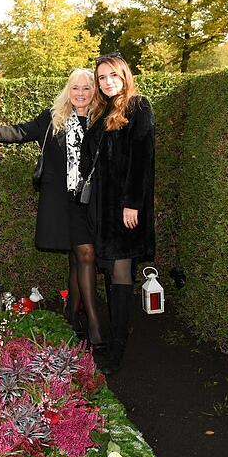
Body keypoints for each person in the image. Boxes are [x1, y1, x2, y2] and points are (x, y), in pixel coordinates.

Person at [0, 68, 105, 347]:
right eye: (76, 87)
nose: (81, 93)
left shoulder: (102, 119)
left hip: (93, 201)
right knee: (85, 254)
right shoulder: (53, 118)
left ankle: (72, 315)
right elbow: (17, 132)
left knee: (79, 257)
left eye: (87, 88)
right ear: (68, 90)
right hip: (64, 202)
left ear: (94, 91)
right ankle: (94, 324)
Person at [80, 52, 155, 374]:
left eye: (113, 75)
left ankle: (117, 349)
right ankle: (116, 332)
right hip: (102, 206)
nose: (107, 81)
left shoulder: (139, 106)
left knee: (122, 273)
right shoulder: (102, 110)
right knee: (110, 271)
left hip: (126, 207)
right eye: (101, 77)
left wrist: (132, 204)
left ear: (124, 75)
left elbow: (142, 159)